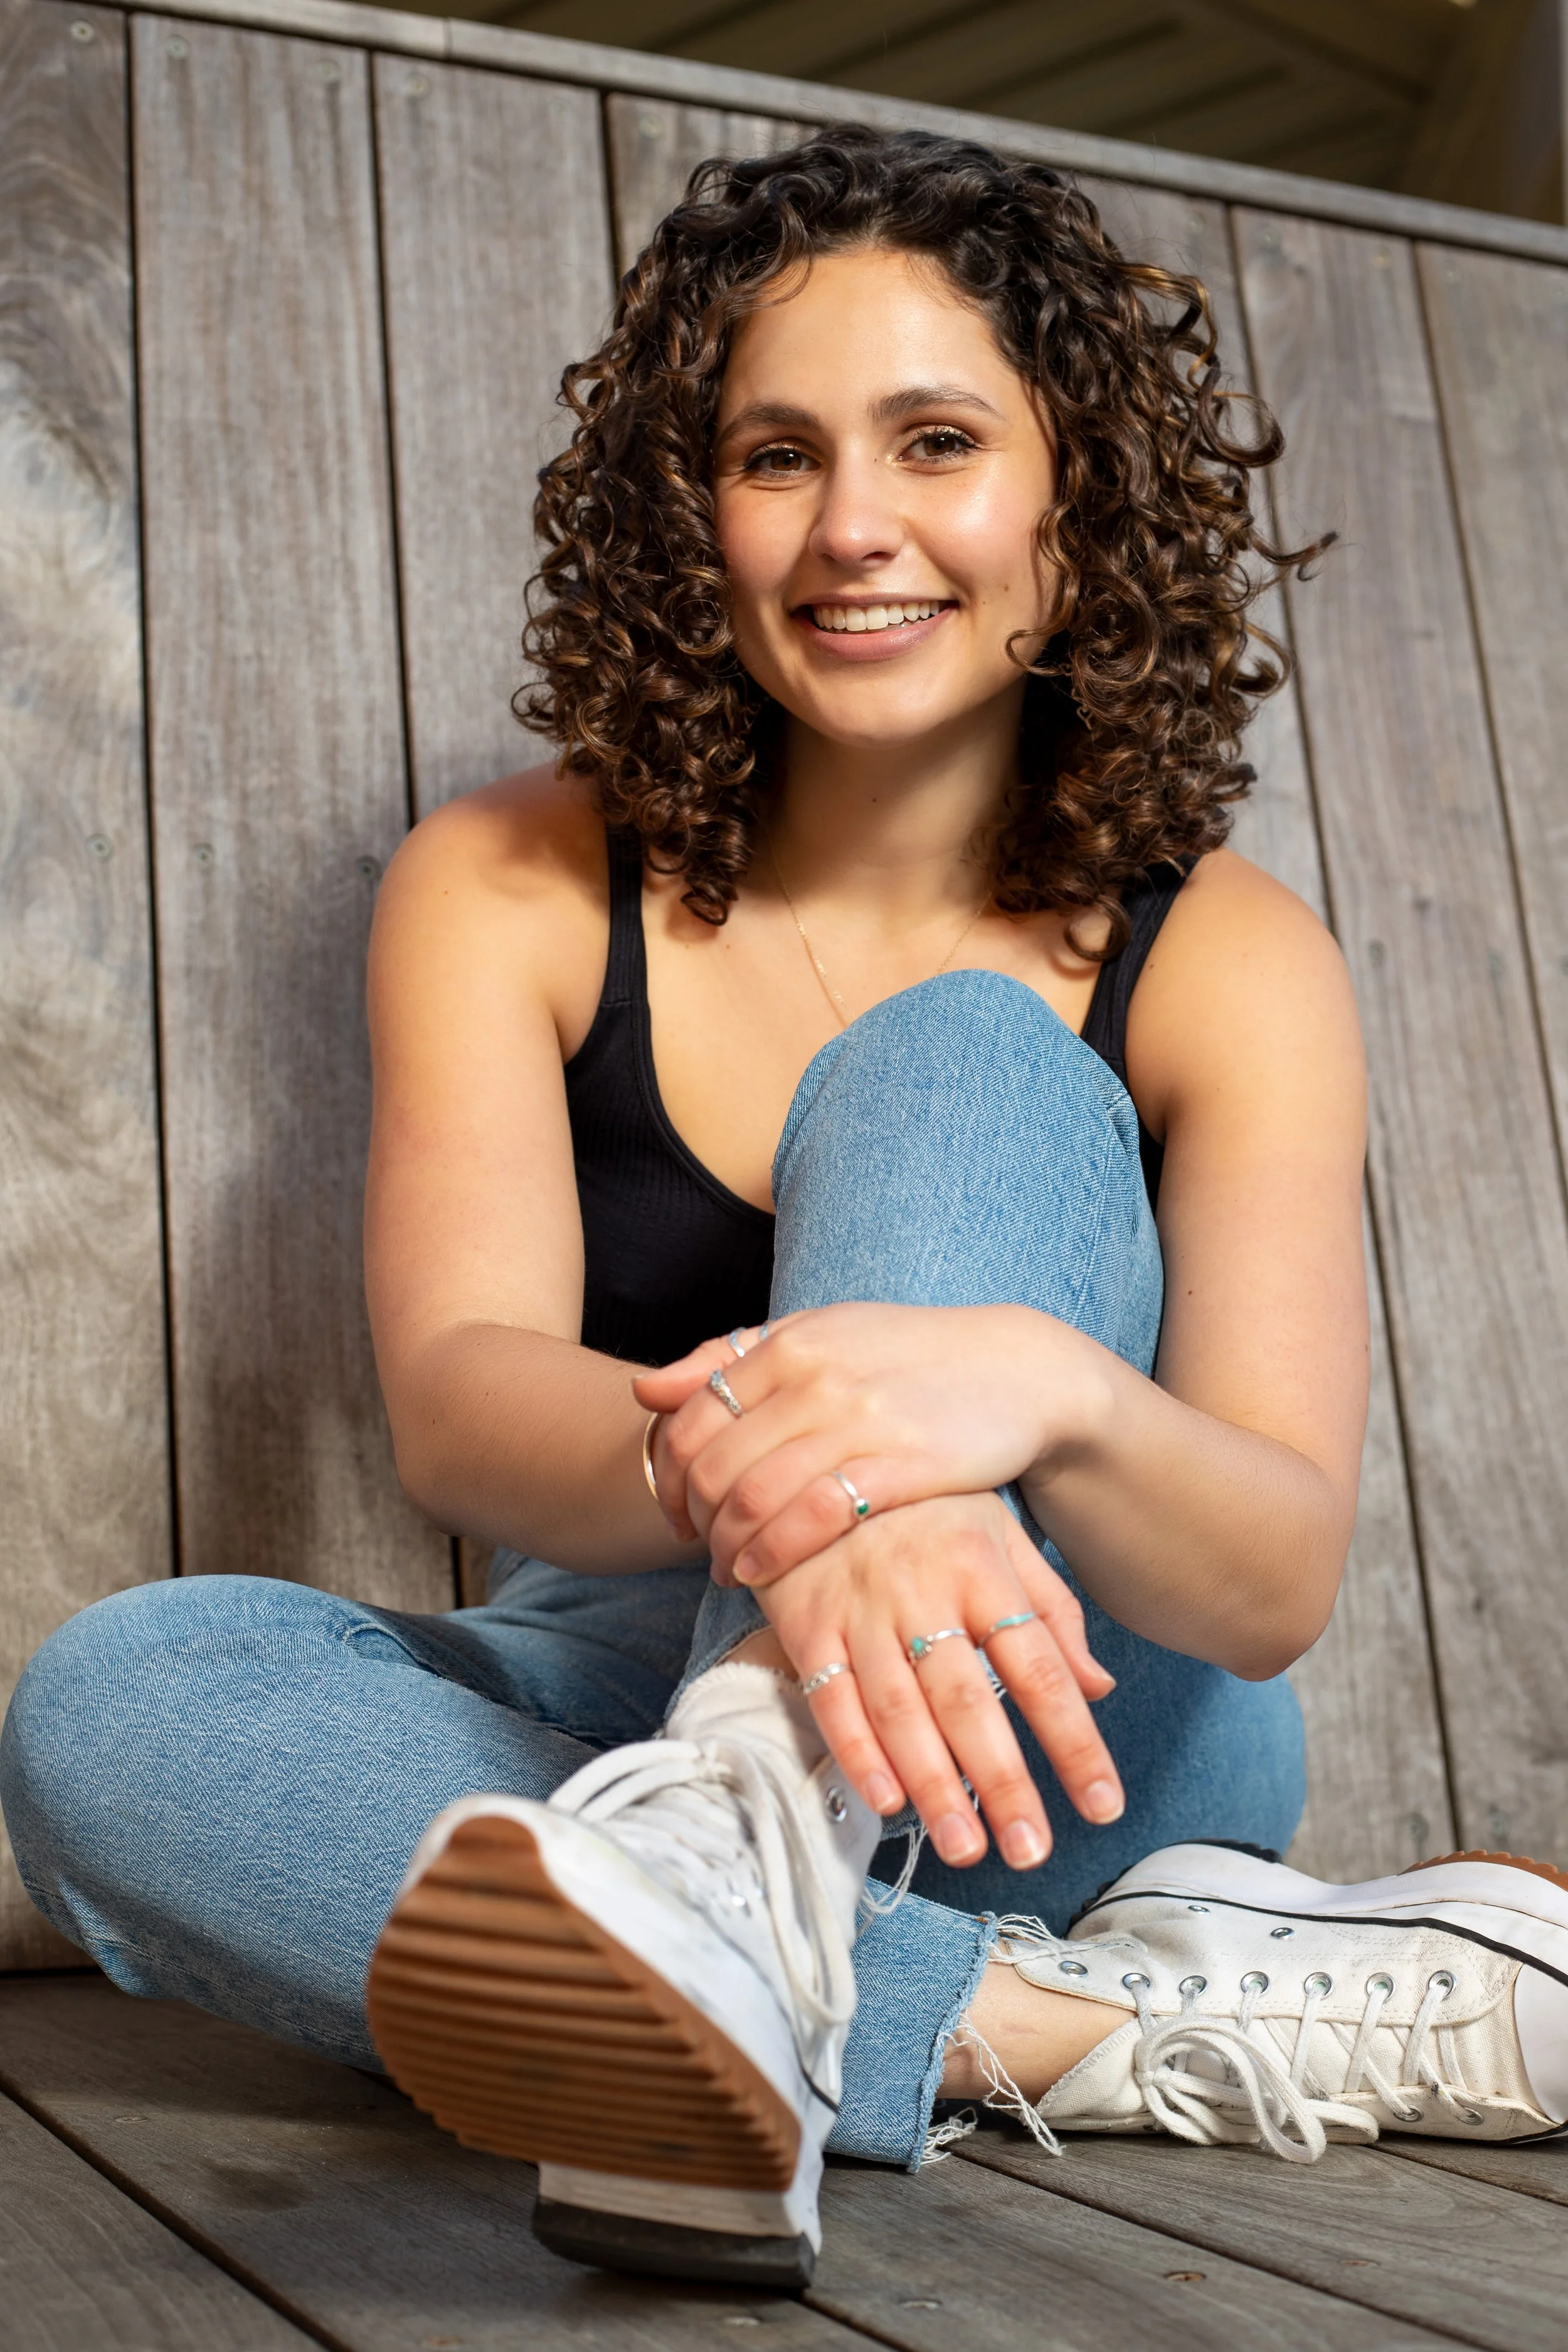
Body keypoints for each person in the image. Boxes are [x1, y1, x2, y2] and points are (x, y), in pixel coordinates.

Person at [5, 125, 1566, 2294]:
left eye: (936, 440)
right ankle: (1072, 2019)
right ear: (690, 510)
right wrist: (813, 1486)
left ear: (1071, 507)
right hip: (614, 1686)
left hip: (1071, 1732)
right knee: (110, 1706)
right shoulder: (508, 882)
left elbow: (1268, 1566)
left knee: (957, 1059)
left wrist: (1026, 1394)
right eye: (773, 454)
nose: (852, 527)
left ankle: (748, 1886)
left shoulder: (1225, 957)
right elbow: (462, 1406)